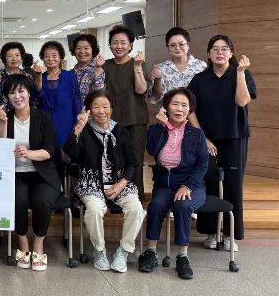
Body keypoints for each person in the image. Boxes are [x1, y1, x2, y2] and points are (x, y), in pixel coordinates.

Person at [188, 35, 257, 252]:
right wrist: (203, 138)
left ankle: (230, 234)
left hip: (234, 138)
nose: (220, 52)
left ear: (231, 53)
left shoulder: (242, 74)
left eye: (224, 49)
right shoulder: (200, 79)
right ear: (208, 54)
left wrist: (240, 73)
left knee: (233, 186)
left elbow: (242, 101)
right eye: (215, 49)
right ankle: (210, 232)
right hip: (207, 140)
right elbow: (190, 110)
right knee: (208, 183)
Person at [64, 89, 144, 273]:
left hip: (119, 182)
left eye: (105, 106)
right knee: (94, 210)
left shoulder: (121, 131)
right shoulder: (84, 130)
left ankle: (123, 251)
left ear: (111, 109)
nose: (102, 111)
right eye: (96, 107)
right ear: (88, 109)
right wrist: (78, 129)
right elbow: (69, 155)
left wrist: (122, 183)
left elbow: (132, 163)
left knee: (136, 209)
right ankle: (99, 251)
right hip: (91, 182)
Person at [139, 88, 209, 280]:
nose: (179, 109)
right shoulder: (156, 129)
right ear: (166, 107)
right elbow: (152, 150)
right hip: (165, 183)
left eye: (184, 105)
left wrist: (188, 186)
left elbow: (203, 164)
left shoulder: (197, 134)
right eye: (175, 104)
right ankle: (151, 252)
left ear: (189, 110)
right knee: (156, 205)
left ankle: (182, 256)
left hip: (191, 184)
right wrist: (161, 127)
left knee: (183, 206)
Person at [0, 74, 62, 271]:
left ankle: (38, 244)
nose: (17, 96)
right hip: (16, 174)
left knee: (42, 200)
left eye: (21, 91)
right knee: (18, 199)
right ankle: (23, 242)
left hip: (42, 174)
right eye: (12, 93)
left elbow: (49, 151)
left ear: (29, 93)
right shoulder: (4, 117)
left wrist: (29, 153)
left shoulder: (43, 117)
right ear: (7, 97)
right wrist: (2, 123)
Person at [101, 25, 148, 199]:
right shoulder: (105, 65)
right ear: (110, 45)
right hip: (111, 122)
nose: (119, 46)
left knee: (135, 161)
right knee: (113, 160)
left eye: (123, 42)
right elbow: (99, 92)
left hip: (135, 120)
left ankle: (135, 199)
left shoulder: (138, 63)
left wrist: (137, 67)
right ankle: (115, 199)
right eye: (115, 42)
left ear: (130, 45)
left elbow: (141, 90)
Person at [34, 40, 82, 149]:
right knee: (48, 150)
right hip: (46, 121)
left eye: (54, 55)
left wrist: (77, 121)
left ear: (61, 58)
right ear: (42, 58)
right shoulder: (40, 77)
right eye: (46, 56)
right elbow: (38, 95)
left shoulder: (70, 75)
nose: (50, 59)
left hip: (66, 120)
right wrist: (37, 76)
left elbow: (76, 99)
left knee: (67, 149)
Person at [148, 27, 207, 104]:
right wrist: (158, 79)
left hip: (195, 111)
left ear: (188, 45)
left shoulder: (201, 66)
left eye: (181, 44)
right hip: (168, 111)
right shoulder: (160, 68)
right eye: (172, 45)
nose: (177, 48)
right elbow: (156, 96)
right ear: (168, 47)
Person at [0, 41, 36, 113]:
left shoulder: (28, 76)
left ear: (21, 58)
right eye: (10, 56)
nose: (14, 59)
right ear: (4, 58)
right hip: (5, 116)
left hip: (26, 115)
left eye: (17, 55)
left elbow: (34, 97)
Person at [71, 34, 106, 103]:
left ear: (93, 51)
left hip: (89, 109)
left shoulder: (98, 70)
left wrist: (97, 69)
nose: (82, 51)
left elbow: (99, 94)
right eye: (78, 48)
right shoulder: (70, 72)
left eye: (86, 48)